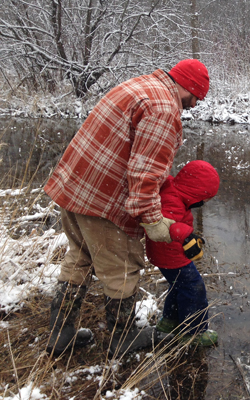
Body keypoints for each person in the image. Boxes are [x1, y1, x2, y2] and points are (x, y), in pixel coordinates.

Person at [44, 59, 210, 357]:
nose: (196, 104)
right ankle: (122, 338)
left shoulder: (137, 86)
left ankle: (61, 333)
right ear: (187, 86)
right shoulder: (163, 108)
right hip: (104, 202)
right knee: (122, 270)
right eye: (197, 96)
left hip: (75, 187)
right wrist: (153, 221)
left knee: (80, 258)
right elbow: (145, 174)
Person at [145, 160, 220, 347]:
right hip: (170, 256)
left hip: (168, 255)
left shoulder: (174, 191)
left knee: (178, 285)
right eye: (204, 198)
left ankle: (169, 321)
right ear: (195, 192)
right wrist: (187, 236)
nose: (203, 203)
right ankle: (193, 332)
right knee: (194, 287)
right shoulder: (172, 201)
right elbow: (167, 225)